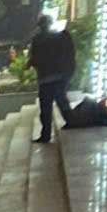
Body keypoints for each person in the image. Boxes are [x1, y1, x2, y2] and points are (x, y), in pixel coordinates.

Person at [31, 15, 77, 143]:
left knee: (46, 108)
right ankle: (71, 122)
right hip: (60, 77)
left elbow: (34, 59)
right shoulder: (61, 37)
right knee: (61, 101)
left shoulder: (37, 40)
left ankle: (46, 134)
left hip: (46, 79)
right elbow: (69, 56)